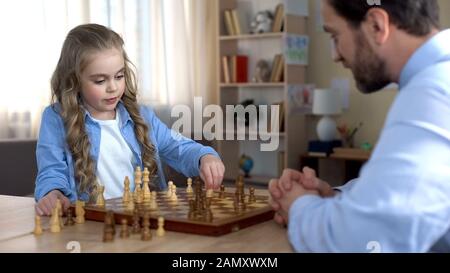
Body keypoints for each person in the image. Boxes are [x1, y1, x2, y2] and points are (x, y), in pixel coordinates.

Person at [269, 0, 450, 252]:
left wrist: (299, 205)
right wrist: (332, 196)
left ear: (376, 25)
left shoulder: (432, 94)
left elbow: (359, 241)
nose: (335, 54)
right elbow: (399, 192)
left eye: (335, 35)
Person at [35, 24, 225, 216]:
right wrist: (53, 193)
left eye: (119, 76)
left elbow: (178, 147)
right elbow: (51, 170)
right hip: (90, 224)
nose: (113, 87)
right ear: (74, 81)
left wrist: (204, 157)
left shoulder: (142, 116)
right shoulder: (56, 118)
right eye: (100, 81)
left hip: (141, 220)